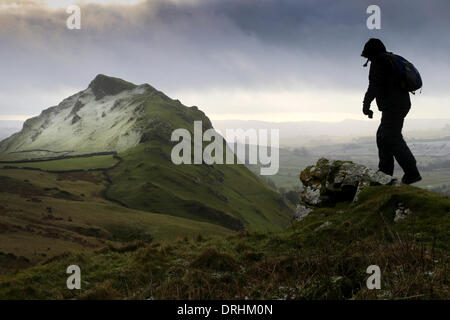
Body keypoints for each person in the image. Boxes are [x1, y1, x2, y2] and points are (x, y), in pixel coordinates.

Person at [361, 38, 422, 184]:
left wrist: (366, 105)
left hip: (393, 106)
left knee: (391, 137)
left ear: (371, 53)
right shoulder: (390, 59)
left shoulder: (379, 62)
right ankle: (385, 173)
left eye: (368, 56)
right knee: (383, 136)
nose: (368, 59)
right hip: (399, 104)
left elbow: (374, 85)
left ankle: (412, 173)